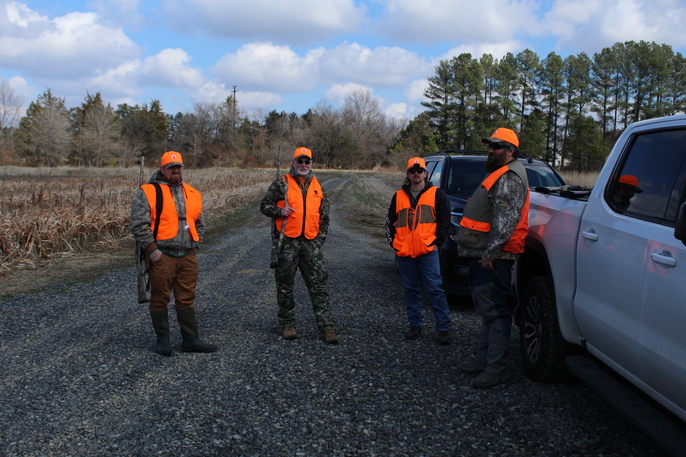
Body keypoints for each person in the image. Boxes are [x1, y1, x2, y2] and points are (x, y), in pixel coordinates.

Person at [455, 128, 529, 388]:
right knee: (487, 310)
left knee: (496, 312)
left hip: (492, 256)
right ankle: (484, 359)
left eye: (496, 146)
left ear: (511, 150)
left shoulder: (509, 177)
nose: (490, 150)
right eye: (490, 145)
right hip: (484, 253)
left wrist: (491, 252)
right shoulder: (500, 173)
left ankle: (497, 368)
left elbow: (505, 220)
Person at [130, 151, 217, 356]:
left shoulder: (192, 192)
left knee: (187, 297)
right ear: (162, 169)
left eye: (178, 167)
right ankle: (163, 341)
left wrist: (195, 245)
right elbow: (138, 225)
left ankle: (190, 340)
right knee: (160, 298)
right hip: (162, 255)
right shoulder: (148, 192)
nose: (175, 170)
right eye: (171, 167)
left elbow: (199, 223)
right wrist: (152, 251)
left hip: (187, 255)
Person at [260, 147, 339, 344]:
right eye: (300, 161)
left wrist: (319, 241)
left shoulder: (318, 186)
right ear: (293, 163)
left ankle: (326, 328)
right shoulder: (281, 183)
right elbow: (264, 206)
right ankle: (287, 325)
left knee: (318, 285)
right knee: (285, 285)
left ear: (311, 164)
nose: (303, 165)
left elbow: (325, 217)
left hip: (311, 243)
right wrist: (279, 211)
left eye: (307, 161)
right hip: (287, 242)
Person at [386, 157, 452, 345]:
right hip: (404, 252)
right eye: (412, 171)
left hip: (428, 251)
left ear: (425, 173)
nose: (416, 174)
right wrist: (394, 243)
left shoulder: (437, 194)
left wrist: (437, 243)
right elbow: (390, 221)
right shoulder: (398, 196)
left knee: (434, 289)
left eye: (419, 171)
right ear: (407, 174)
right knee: (411, 290)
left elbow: (445, 221)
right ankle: (415, 326)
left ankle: (443, 329)